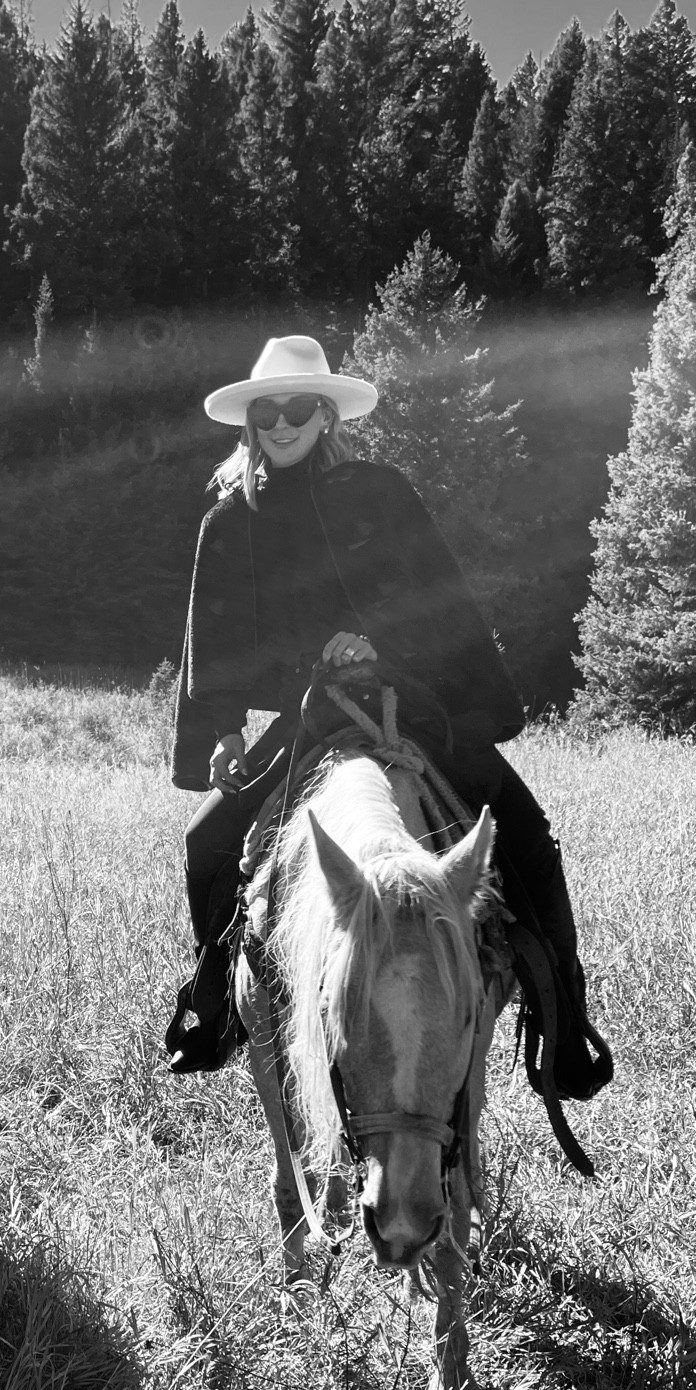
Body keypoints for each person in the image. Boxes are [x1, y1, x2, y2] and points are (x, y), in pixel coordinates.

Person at [165, 334, 611, 1100]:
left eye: (298, 406)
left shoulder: (382, 493)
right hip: (308, 716)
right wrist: (225, 731)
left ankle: (561, 1020)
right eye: (267, 409)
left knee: (528, 834)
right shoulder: (228, 521)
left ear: (327, 414)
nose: (282, 421)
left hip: (412, 704)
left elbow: (436, 598)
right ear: (249, 420)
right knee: (207, 839)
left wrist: (380, 641)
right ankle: (219, 1008)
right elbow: (218, 640)